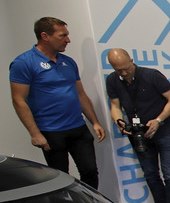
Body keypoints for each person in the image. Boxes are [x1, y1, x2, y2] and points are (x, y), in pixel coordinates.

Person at [9, 17, 106, 188]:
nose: (68, 40)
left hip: (78, 128)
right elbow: (19, 100)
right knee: (59, 179)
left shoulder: (68, 62)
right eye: (63, 36)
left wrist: (95, 122)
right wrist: (35, 133)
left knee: (90, 172)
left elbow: (81, 94)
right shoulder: (24, 63)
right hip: (51, 131)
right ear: (45, 36)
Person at [105, 48, 170, 203]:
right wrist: (119, 121)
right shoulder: (112, 80)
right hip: (138, 133)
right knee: (151, 174)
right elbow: (115, 106)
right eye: (119, 70)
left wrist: (158, 120)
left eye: (126, 68)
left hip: (165, 130)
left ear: (132, 60)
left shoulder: (152, 75)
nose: (124, 73)